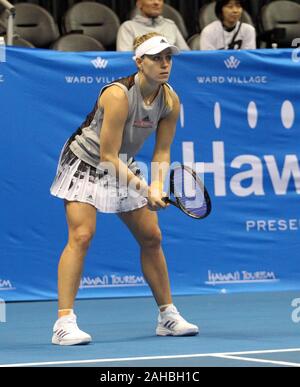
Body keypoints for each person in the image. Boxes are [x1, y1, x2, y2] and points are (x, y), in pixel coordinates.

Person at [50, 32, 199, 346]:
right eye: (156, 58)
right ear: (139, 62)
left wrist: (157, 184)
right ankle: (64, 323)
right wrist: (147, 190)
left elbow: (161, 151)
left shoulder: (170, 99)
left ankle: (167, 316)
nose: (164, 64)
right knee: (81, 235)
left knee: (151, 236)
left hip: (123, 163)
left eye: (168, 58)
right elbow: (106, 157)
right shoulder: (118, 95)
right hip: (86, 161)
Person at [117, 0, 189, 51]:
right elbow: (124, 59)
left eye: (160, 0)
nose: (156, 2)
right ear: (139, 4)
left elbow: (186, 54)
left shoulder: (170, 25)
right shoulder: (128, 27)